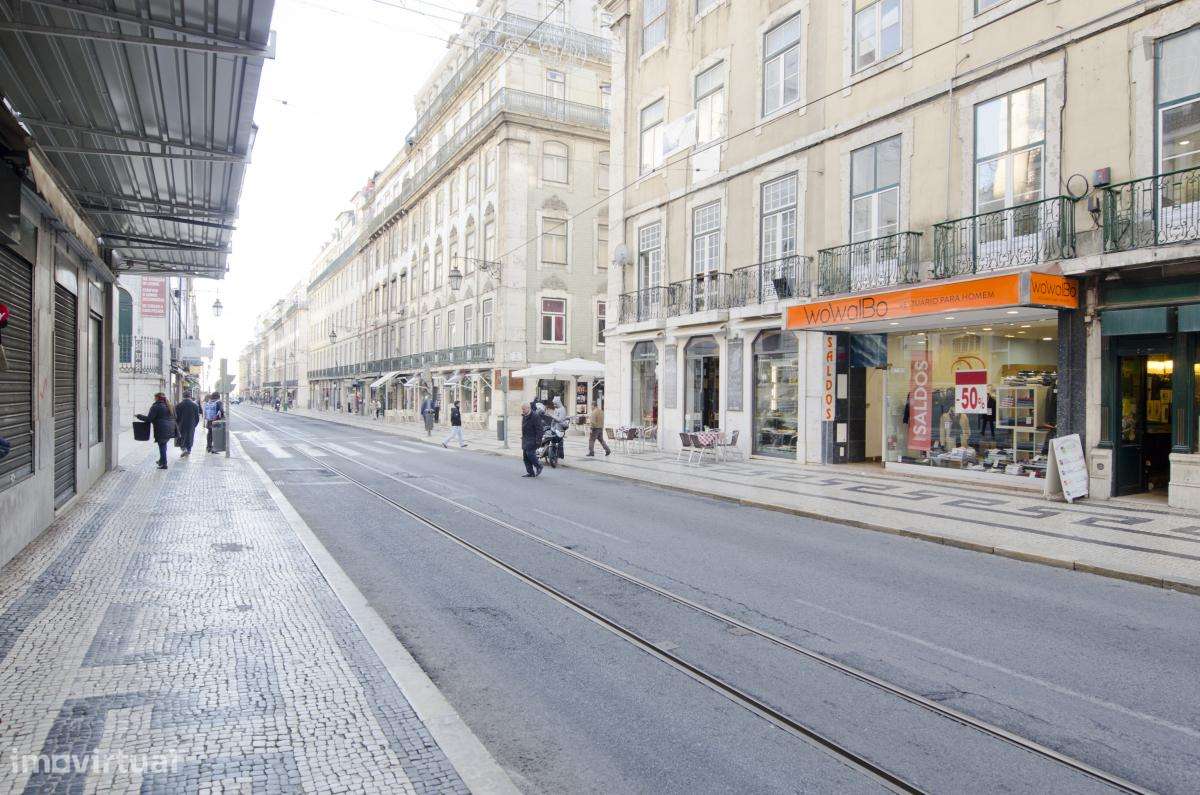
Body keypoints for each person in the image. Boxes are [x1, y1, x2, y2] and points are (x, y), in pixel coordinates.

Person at [137, 393, 177, 470]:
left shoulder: (156, 406)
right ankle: (161, 461)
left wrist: (139, 416)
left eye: (155, 397)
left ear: (157, 398)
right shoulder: (170, 405)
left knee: (162, 446)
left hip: (161, 430)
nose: (154, 399)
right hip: (170, 428)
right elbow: (176, 416)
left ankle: (164, 464)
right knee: (164, 444)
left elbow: (149, 419)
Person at [521, 402, 544, 478]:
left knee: (530, 454)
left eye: (524, 409)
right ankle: (531, 473)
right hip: (526, 439)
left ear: (528, 408)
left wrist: (538, 440)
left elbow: (539, 429)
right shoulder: (524, 416)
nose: (523, 411)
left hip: (533, 439)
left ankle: (539, 465)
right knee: (525, 457)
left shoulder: (535, 416)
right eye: (522, 409)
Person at [174, 391, 201, 457]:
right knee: (190, 437)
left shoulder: (179, 405)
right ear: (190, 396)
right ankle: (188, 450)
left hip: (181, 424)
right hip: (191, 424)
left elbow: (176, 417)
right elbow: (197, 418)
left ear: (183, 396)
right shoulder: (195, 405)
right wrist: (194, 425)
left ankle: (184, 449)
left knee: (181, 437)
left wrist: (177, 424)